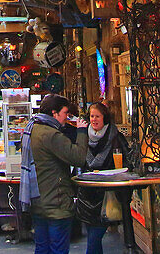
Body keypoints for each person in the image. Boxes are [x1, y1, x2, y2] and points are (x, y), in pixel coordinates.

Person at [20, 94, 88, 254]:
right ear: (54, 113)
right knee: (58, 249)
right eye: (65, 113)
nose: (67, 117)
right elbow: (78, 157)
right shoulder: (51, 135)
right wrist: (82, 132)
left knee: (42, 248)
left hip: (37, 202)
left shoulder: (32, 128)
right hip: (55, 203)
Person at [76, 103, 130, 254]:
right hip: (87, 194)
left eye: (97, 116)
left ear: (104, 118)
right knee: (93, 237)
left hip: (107, 194)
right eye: (92, 116)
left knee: (94, 236)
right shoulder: (83, 136)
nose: (94, 120)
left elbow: (128, 160)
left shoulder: (115, 137)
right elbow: (77, 159)